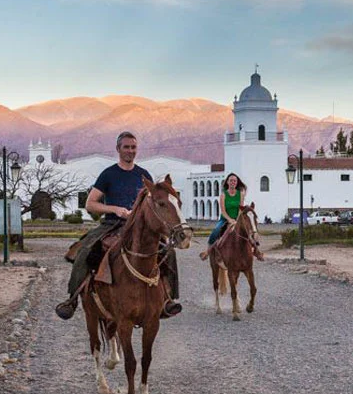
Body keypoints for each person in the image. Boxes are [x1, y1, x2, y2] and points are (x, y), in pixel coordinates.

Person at [55, 131, 182, 320]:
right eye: (126, 147)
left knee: (168, 252)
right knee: (86, 250)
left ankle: (167, 299)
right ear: (118, 149)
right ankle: (72, 298)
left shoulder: (143, 175)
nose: (130, 151)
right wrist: (115, 209)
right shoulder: (108, 174)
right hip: (113, 224)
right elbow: (91, 203)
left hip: (140, 227)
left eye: (133, 147)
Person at [199, 172, 264, 261]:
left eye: (235, 181)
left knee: (249, 230)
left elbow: (240, 208)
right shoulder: (223, 195)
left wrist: (237, 219)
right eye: (231, 181)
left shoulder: (240, 194)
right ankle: (207, 252)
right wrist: (230, 220)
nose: (233, 182)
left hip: (237, 218)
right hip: (225, 219)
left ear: (237, 183)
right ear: (228, 182)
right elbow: (223, 211)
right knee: (216, 232)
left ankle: (256, 251)